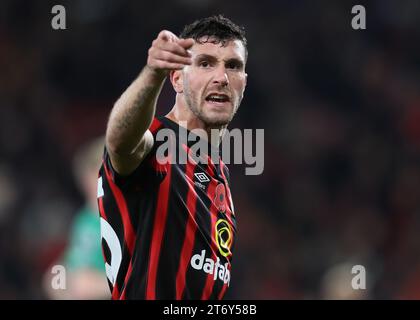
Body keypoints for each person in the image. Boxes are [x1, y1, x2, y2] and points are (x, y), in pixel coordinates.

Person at [97, 15, 248, 300]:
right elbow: (119, 142)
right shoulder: (158, 144)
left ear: (244, 82)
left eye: (233, 66)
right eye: (205, 63)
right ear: (177, 78)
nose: (222, 78)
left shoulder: (217, 171)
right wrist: (153, 73)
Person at [44, 136, 110, 299]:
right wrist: (59, 274)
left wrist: (100, 285)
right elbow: (72, 259)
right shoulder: (84, 218)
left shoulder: (123, 221)